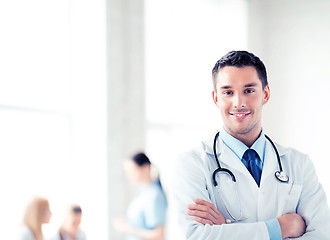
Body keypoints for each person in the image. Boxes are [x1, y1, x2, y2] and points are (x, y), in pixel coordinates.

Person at [172, 50, 330, 239]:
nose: (238, 103)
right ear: (216, 99)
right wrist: (279, 228)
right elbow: (196, 235)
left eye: (248, 91)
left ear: (265, 94)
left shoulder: (299, 164)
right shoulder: (193, 163)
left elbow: (321, 234)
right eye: (228, 92)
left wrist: (226, 232)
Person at [114, 152, 167, 240]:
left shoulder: (154, 195)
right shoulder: (141, 192)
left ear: (146, 169)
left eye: (132, 171)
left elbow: (159, 235)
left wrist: (129, 229)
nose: (129, 176)